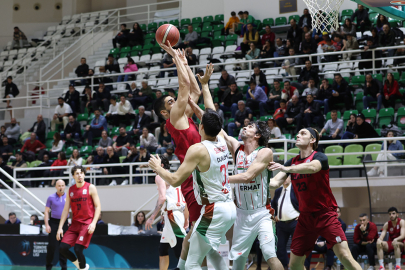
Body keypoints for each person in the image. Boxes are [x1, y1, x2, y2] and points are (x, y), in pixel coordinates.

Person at [153, 48, 223, 270]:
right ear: (165, 113)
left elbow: (193, 89)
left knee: (200, 233)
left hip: (202, 172)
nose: (175, 101)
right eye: (170, 101)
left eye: (174, 99)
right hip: (190, 178)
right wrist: (177, 60)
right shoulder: (175, 117)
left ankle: (183, 267)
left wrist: (185, 62)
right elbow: (184, 87)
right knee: (197, 231)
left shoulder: (183, 114)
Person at [149, 109, 236, 270]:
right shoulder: (222, 140)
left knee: (192, 264)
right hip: (229, 208)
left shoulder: (198, 150)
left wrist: (158, 168)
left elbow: (175, 180)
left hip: (214, 210)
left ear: (201, 127)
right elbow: (211, 110)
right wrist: (202, 89)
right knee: (208, 250)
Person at [268, 128, 362, 270]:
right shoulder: (291, 162)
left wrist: (287, 168)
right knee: (294, 264)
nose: (298, 135)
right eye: (297, 133)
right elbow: (274, 183)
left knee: (344, 256)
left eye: (303, 133)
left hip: (325, 214)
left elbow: (312, 168)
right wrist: (254, 176)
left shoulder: (320, 157)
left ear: (313, 140)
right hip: (305, 218)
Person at [145, 155, 187, 270]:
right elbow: (184, 199)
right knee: (163, 249)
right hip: (177, 213)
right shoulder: (174, 176)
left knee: (179, 249)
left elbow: (162, 198)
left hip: (172, 215)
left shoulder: (159, 176)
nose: (151, 166)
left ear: (161, 165)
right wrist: (186, 218)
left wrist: (152, 216)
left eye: (153, 163)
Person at [58, 166, 101, 270]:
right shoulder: (71, 190)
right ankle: (82, 267)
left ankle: (82, 267)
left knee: (78, 249)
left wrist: (94, 223)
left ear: (84, 174)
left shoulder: (90, 187)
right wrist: (60, 227)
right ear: (73, 176)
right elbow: (65, 210)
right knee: (62, 248)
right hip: (75, 224)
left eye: (81, 173)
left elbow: (98, 206)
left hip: (87, 223)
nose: (79, 175)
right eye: (77, 173)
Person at [271, 176, 300, 270]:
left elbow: (304, 202)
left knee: (297, 247)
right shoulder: (278, 191)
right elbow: (274, 204)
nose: (284, 179)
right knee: (279, 247)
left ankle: (297, 266)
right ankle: (285, 266)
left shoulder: (296, 189)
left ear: (291, 178)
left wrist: (302, 214)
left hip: (294, 223)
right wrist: (275, 214)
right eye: (283, 177)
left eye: (287, 177)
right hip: (281, 224)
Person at [45, 180, 68, 270]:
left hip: (64, 223)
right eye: (59, 186)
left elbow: (73, 210)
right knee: (52, 246)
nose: (61, 187)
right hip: (53, 223)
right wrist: (47, 225)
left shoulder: (68, 197)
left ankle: (64, 267)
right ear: (56, 186)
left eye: (62, 185)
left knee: (63, 246)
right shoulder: (50, 197)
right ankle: (48, 267)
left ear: (65, 186)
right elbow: (46, 212)